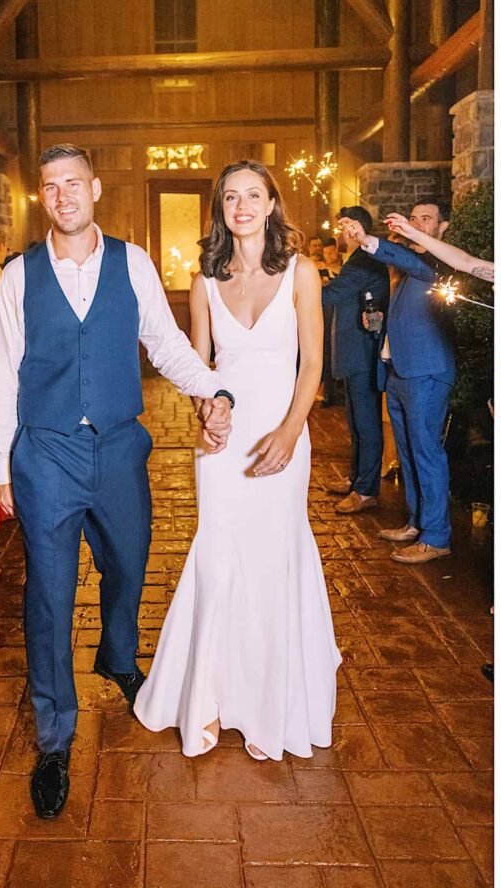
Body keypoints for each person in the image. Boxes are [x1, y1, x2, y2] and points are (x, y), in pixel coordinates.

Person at [0, 143, 232, 819]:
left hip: (121, 448)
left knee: (129, 564)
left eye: (72, 182)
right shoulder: (18, 276)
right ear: (43, 198)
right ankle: (55, 735)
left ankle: (117, 657)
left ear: (95, 189)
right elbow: (1, 372)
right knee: (51, 596)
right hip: (47, 454)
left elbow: (166, 342)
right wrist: (3, 465)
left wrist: (213, 390)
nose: (62, 194)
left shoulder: (133, 262)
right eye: (49, 185)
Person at [135, 160, 339, 762]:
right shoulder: (203, 281)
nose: (242, 206)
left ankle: (269, 706)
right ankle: (210, 698)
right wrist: (207, 411)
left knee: (274, 553)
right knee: (219, 554)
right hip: (222, 445)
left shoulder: (303, 274)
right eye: (231, 197)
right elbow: (199, 366)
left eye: (253, 195)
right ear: (220, 209)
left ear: (272, 204)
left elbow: (311, 365)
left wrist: (291, 430)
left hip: (282, 430)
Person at [337, 201, 457, 564]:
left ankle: (437, 536)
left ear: (442, 228)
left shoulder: (437, 264)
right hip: (399, 372)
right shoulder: (405, 273)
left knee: (426, 453)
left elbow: (405, 259)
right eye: (414, 218)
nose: (419, 224)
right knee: (407, 453)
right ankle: (418, 522)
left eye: (427, 219)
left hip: (425, 373)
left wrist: (366, 240)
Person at [321, 206, 390, 513]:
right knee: (355, 421)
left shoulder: (364, 261)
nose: (340, 232)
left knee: (366, 422)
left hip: (363, 352)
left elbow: (331, 294)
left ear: (359, 227)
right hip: (352, 352)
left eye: (346, 226)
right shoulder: (356, 259)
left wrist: (296, 287)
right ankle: (355, 478)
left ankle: (366, 489)